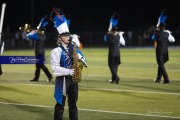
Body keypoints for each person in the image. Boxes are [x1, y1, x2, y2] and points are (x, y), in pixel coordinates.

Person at [50, 8, 87, 120]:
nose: (68, 37)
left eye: (68, 36)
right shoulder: (56, 51)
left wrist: (81, 60)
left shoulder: (74, 48)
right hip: (63, 80)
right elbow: (54, 68)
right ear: (60, 38)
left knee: (73, 105)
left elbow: (84, 59)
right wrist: (68, 71)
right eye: (65, 36)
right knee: (60, 105)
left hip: (74, 80)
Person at [152, 10, 175, 84]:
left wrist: (156, 31)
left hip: (159, 50)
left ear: (159, 27)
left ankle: (166, 79)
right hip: (166, 51)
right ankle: (158, 79)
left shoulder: (156, 33)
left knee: (160, 64)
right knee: (161, 64)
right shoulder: (167, 33)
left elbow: (153, 38)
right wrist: (167, 32)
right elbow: (173, 40)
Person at [26, 16, 52, 82]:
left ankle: (49, 75)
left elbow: (29, 36)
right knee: (38, 65)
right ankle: (36, 78)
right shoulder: (43, 36)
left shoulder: (38, 36)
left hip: (39, 51)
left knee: (41, 65)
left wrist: (30, 32)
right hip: (41, 51)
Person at [104, 12, 125, 84]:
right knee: (115, 66)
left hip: (112, 52)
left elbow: (105, 39)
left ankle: (116, 77)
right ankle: (114, 79)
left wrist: (108, 32)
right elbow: (123, 43)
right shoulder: (118, 37)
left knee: (110, 65)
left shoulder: (109, 36)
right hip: (118, 52)